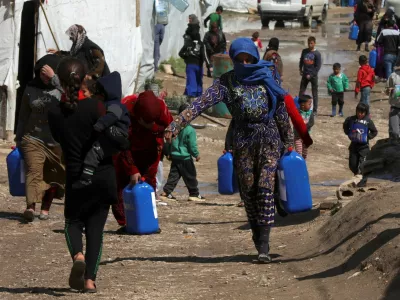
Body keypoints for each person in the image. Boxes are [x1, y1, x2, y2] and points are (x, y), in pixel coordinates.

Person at [165, 38, 295, 263]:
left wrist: (289, 140)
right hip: (243, 142)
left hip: (270, 138)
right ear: (234, 60)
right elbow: (199, 104)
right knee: (250, 194)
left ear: (255, 57)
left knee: (265, 187)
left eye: (249, 59)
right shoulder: (227, 83)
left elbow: (280, 108)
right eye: (240, 59)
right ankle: (257, 236)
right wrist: (176, 124)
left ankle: (264, 246)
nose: (245, 63)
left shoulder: (268, 76)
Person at [48, 57, 117, 293]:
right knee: (96, 228)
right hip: (103, 174)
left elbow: (58, 139)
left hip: (76, 174)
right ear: (85, 77)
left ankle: (78, 255)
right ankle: (90, 280)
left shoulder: (54, 112)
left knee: (73, 222)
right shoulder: (97, 107)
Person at [112, 91, 172, 231]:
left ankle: (149, 220)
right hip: (127, 149)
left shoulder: (161, 109)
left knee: (149, 183)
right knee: (122, 184)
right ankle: (127, 223)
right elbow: (121, 143)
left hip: (151, 149)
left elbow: (171, 127)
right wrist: (132, 168)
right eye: (145, 121)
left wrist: (156, 129)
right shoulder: (125, 108)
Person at [15, 54, 65, 222]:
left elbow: (75, 97)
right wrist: (18, 138)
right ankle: (30, 207)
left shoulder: (61, 88)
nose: (45, 77)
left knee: (54, 175)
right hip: (33, 138)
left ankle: (45, 208)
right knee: (33, 171)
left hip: (56, 140)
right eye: (42, 73)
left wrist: (55, 79)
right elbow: (23, 116)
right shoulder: (30, 88)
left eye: (48, 73)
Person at [73, 71, 130, 189]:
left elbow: (112, 117)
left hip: (117, 133)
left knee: (95, 152)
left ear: (105, 94)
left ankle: (85, 178)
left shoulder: (115, 105)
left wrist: (100, 125)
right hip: (113, 135)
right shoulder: (110, 103)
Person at [161, 104, 204, 201]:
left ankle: (166, 192)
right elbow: (191, 145)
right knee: (190, 176)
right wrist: (196, 155)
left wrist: (168, 152)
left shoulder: (172, 128)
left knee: (173, 176)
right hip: (185, 158)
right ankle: (194, 194)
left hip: (175, 157)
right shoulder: (190, 130)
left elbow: (168, 142)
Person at [343, 103, 377, 185]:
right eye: (358, 112)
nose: (360, 114)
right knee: (352, 165)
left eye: (362, 113)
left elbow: (374, 131)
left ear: (365, 113)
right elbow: (345, 126)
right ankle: (357, 176)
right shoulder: (351, 119)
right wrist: (348, 133)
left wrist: (367, 137)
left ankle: (362, 181)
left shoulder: (368, 121)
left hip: (364, 147)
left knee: (362, 166)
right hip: (353, 146)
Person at [179, 14, 206, 100]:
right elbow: (204, 55)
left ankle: (190, 97)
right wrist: (209, 66)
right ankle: (197, 96)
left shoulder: (193, 29)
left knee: (191, 80)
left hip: (191, 63)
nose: (189, 20)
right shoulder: (200, 44)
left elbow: (181, 53)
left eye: (190, 19)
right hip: (198, 64)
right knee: (197, 80)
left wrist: (187, 56)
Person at [299, 36, 322, 116]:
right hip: (305, 74)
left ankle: (315, 110)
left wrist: (311, 75)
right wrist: (300, 69)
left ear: (314, 44)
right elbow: (301, 60)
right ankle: (300, 107)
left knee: (314, 93)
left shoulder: (317, 54)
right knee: (301, 91)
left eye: (311, 43)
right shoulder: (304, 51)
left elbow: (318, 66)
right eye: (309, 43)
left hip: (313, 76)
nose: (310, 45)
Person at [294, 95, 314, 160]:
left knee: (305, 153)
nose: (310, 105)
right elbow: (295, 122)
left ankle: (303, 162)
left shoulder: (310, 113)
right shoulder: (296, 112)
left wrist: (304, 127)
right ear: (302, 105)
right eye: (309, 104)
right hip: (298, 136)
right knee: (298, 152)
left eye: (311, 104)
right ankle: (299, 164)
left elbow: (311, 122)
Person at [385, 64, 400, 138]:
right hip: (395, 108)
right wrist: (389, 90)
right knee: (394, 133)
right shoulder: (393, 76)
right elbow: (386, 91)